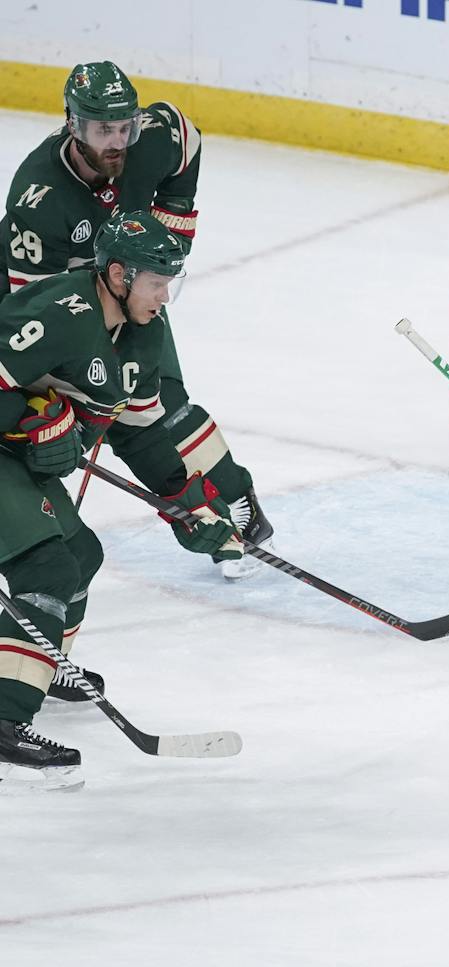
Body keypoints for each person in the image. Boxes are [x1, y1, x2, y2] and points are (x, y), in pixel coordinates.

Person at [1, 60, 273, 581]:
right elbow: (28, 317)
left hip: (127, 289)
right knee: (105, 408)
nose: (117, 141)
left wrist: (168, 238)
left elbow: (186, 138)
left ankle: (232, 502)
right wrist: (48, 402)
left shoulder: (150, 137)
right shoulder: (40, 196)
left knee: (158, 402)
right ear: (73, 124)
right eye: (103, 129)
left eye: (124, 126)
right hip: (53, 305)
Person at [0, 211, 241, 791]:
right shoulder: (58, 312)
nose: (164, 296)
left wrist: (187, 505)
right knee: (46, 568)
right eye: (157, 282)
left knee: (80, 556)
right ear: (116, 274)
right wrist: (26, 423)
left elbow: (136, 429)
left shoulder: (142, 332)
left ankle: (36, 663)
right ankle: (5, 718)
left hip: (16, 461)